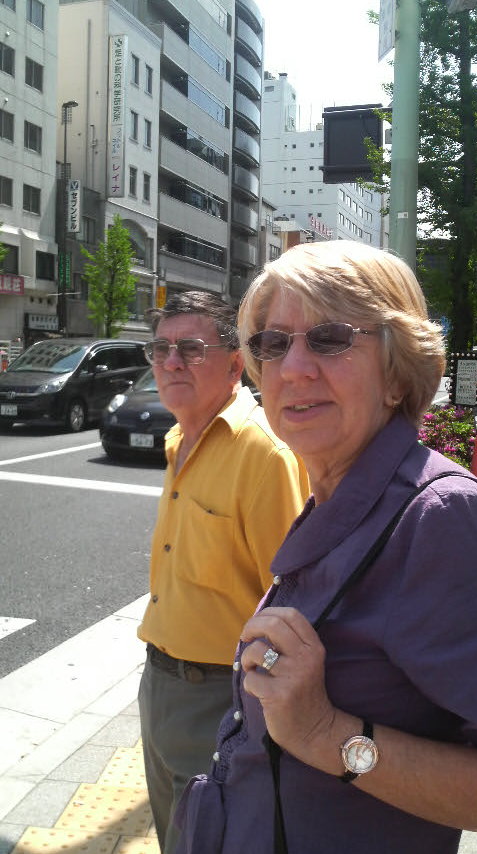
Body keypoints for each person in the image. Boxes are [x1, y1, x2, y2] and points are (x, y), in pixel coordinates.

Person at [174, 242, 477, 854]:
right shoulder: (336, 494)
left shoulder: (437, 516)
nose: (292, 369)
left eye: (331, 339)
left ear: (397, 373)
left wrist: (324, 733)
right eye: (274, 343)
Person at [137, 291, 309, 854]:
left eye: (189, 348)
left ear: (235, 364)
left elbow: (292, 600)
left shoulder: (262, 452)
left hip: (220, 698)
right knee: (174, 839)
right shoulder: (178, 439)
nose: (170, 362)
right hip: (158, 685)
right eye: (160, 348)